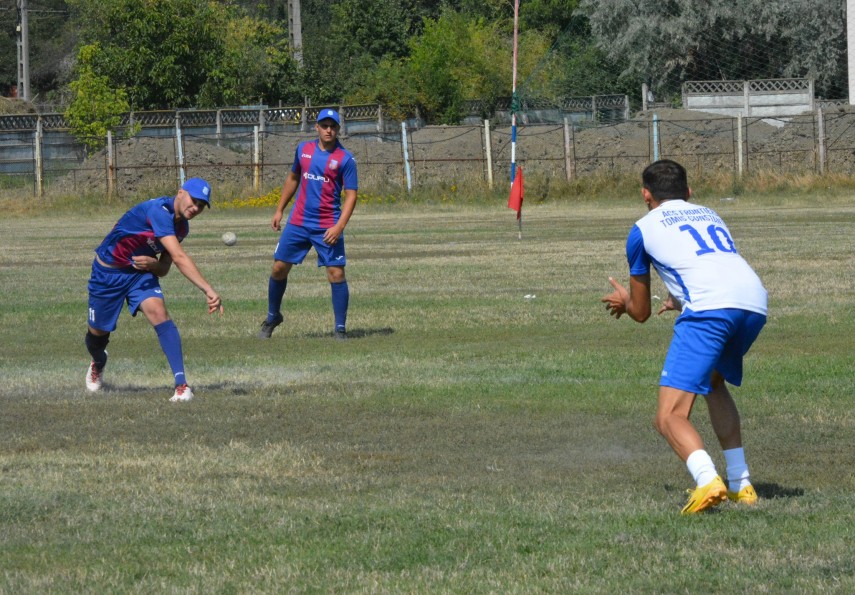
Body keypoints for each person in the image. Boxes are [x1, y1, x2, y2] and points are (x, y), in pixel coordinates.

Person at [601, 159, 767, 514]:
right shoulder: (709, 213)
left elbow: (641, 313)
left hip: (710, 308)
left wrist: (626, 301)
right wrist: (682, 299)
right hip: (753, 302)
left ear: (645, 194)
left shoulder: (641, 230)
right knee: (713, 382)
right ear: (689, 193)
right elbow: (713, 266)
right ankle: (741, 484)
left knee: (668, 416)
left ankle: (707, 480)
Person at [84, 177, 223, 402]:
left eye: (201, 205)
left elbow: (164, 268)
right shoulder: (158, 211)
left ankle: (181, 386)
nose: (195, 208)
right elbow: (178, 258)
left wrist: (153, 265)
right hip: (108, 274)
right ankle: (98, 362)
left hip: (139, 275)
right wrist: (208, 289)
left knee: (160, 314)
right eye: (193, 200)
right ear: (180, 192)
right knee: (97, 335)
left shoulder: (182, 227)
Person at [258, 108, 358, 340]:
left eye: (333, 126)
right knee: (278, 268)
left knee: (336, 274)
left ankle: (340, 329)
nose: (329, 130)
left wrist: (339, 227)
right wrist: (279, 209)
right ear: (317, 127)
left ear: (338, 129)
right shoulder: (304, 150)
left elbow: (351, 196)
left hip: (327, 225)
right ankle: (273, 316)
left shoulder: (346, 159)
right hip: (298, 221)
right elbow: (293, 178)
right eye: (324, 125)